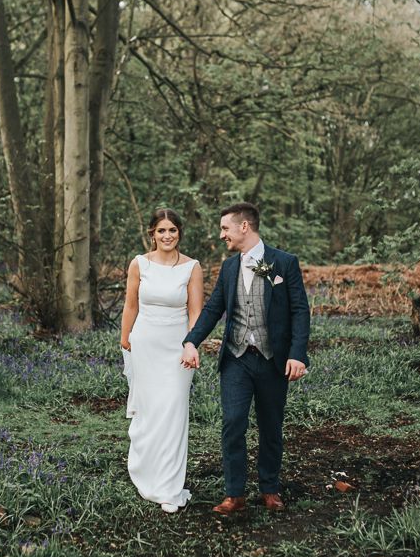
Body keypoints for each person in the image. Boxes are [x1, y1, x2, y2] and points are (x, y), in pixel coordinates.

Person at [181, 202, 310, 514]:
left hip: (272, 360)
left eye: (225, 228)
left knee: (271, 425)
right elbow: (214, 308)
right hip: (236, 358)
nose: (222, 234)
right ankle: (234, 493)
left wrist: (297, 355)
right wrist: (191, 341)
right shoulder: (229, 268)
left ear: (244, 227)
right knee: (233, 422)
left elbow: (299, 311)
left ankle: (269, 488)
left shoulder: (282, 263)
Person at [120, 208, 203, 514]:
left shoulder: (191, 267)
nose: (167, 236)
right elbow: (131, 305)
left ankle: (169, 486)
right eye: (161, 231)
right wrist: (125, 339)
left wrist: (192, 344)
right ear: (152, 234)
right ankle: (146, 472)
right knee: (150, 411)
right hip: (145, 343)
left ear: (179, 233)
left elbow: (196, 312)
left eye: (172, 230)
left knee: (174, 410)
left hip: (177, 348)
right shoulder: (139, 263)